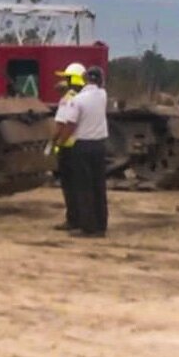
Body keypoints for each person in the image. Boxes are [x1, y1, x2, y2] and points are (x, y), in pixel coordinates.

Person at [53, 61, 110, 237]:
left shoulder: (77, 100)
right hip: (100, 146)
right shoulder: (102, 95)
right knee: (99, 186)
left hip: (83, 146)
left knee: (84, 187)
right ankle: (101, 225)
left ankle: (88, 227)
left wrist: (58, 143)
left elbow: (70, 124)